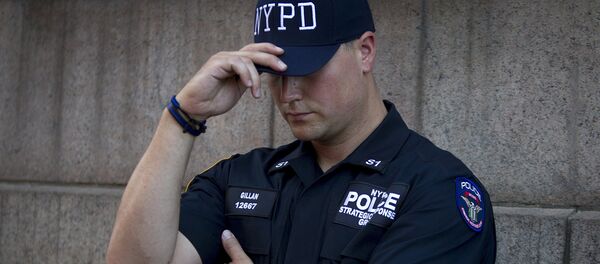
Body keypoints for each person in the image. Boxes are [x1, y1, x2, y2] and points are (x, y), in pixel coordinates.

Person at [107, 0, 496, 263]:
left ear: (365, 51)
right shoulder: (240, 179)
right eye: (274, 73)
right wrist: (182, 118)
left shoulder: (437, 191)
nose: (289, 93)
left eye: (308, 68)